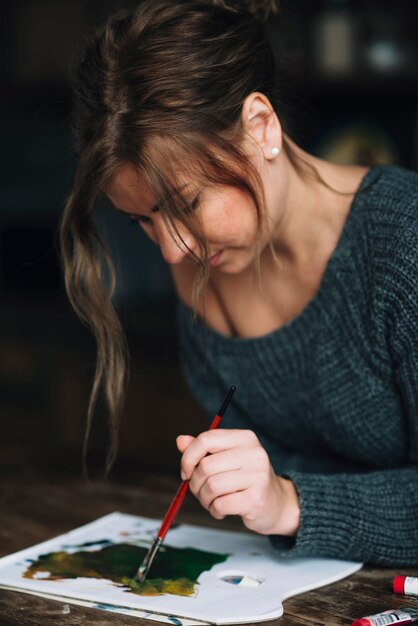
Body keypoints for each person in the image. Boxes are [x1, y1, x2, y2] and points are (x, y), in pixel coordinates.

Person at [60, 0, 418, 566]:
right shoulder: (204, 264)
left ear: (261, 126)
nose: (173, 250)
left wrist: (290, 503)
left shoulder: (404, 245)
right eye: (142, 221)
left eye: (187, 204)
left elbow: (287, 496)